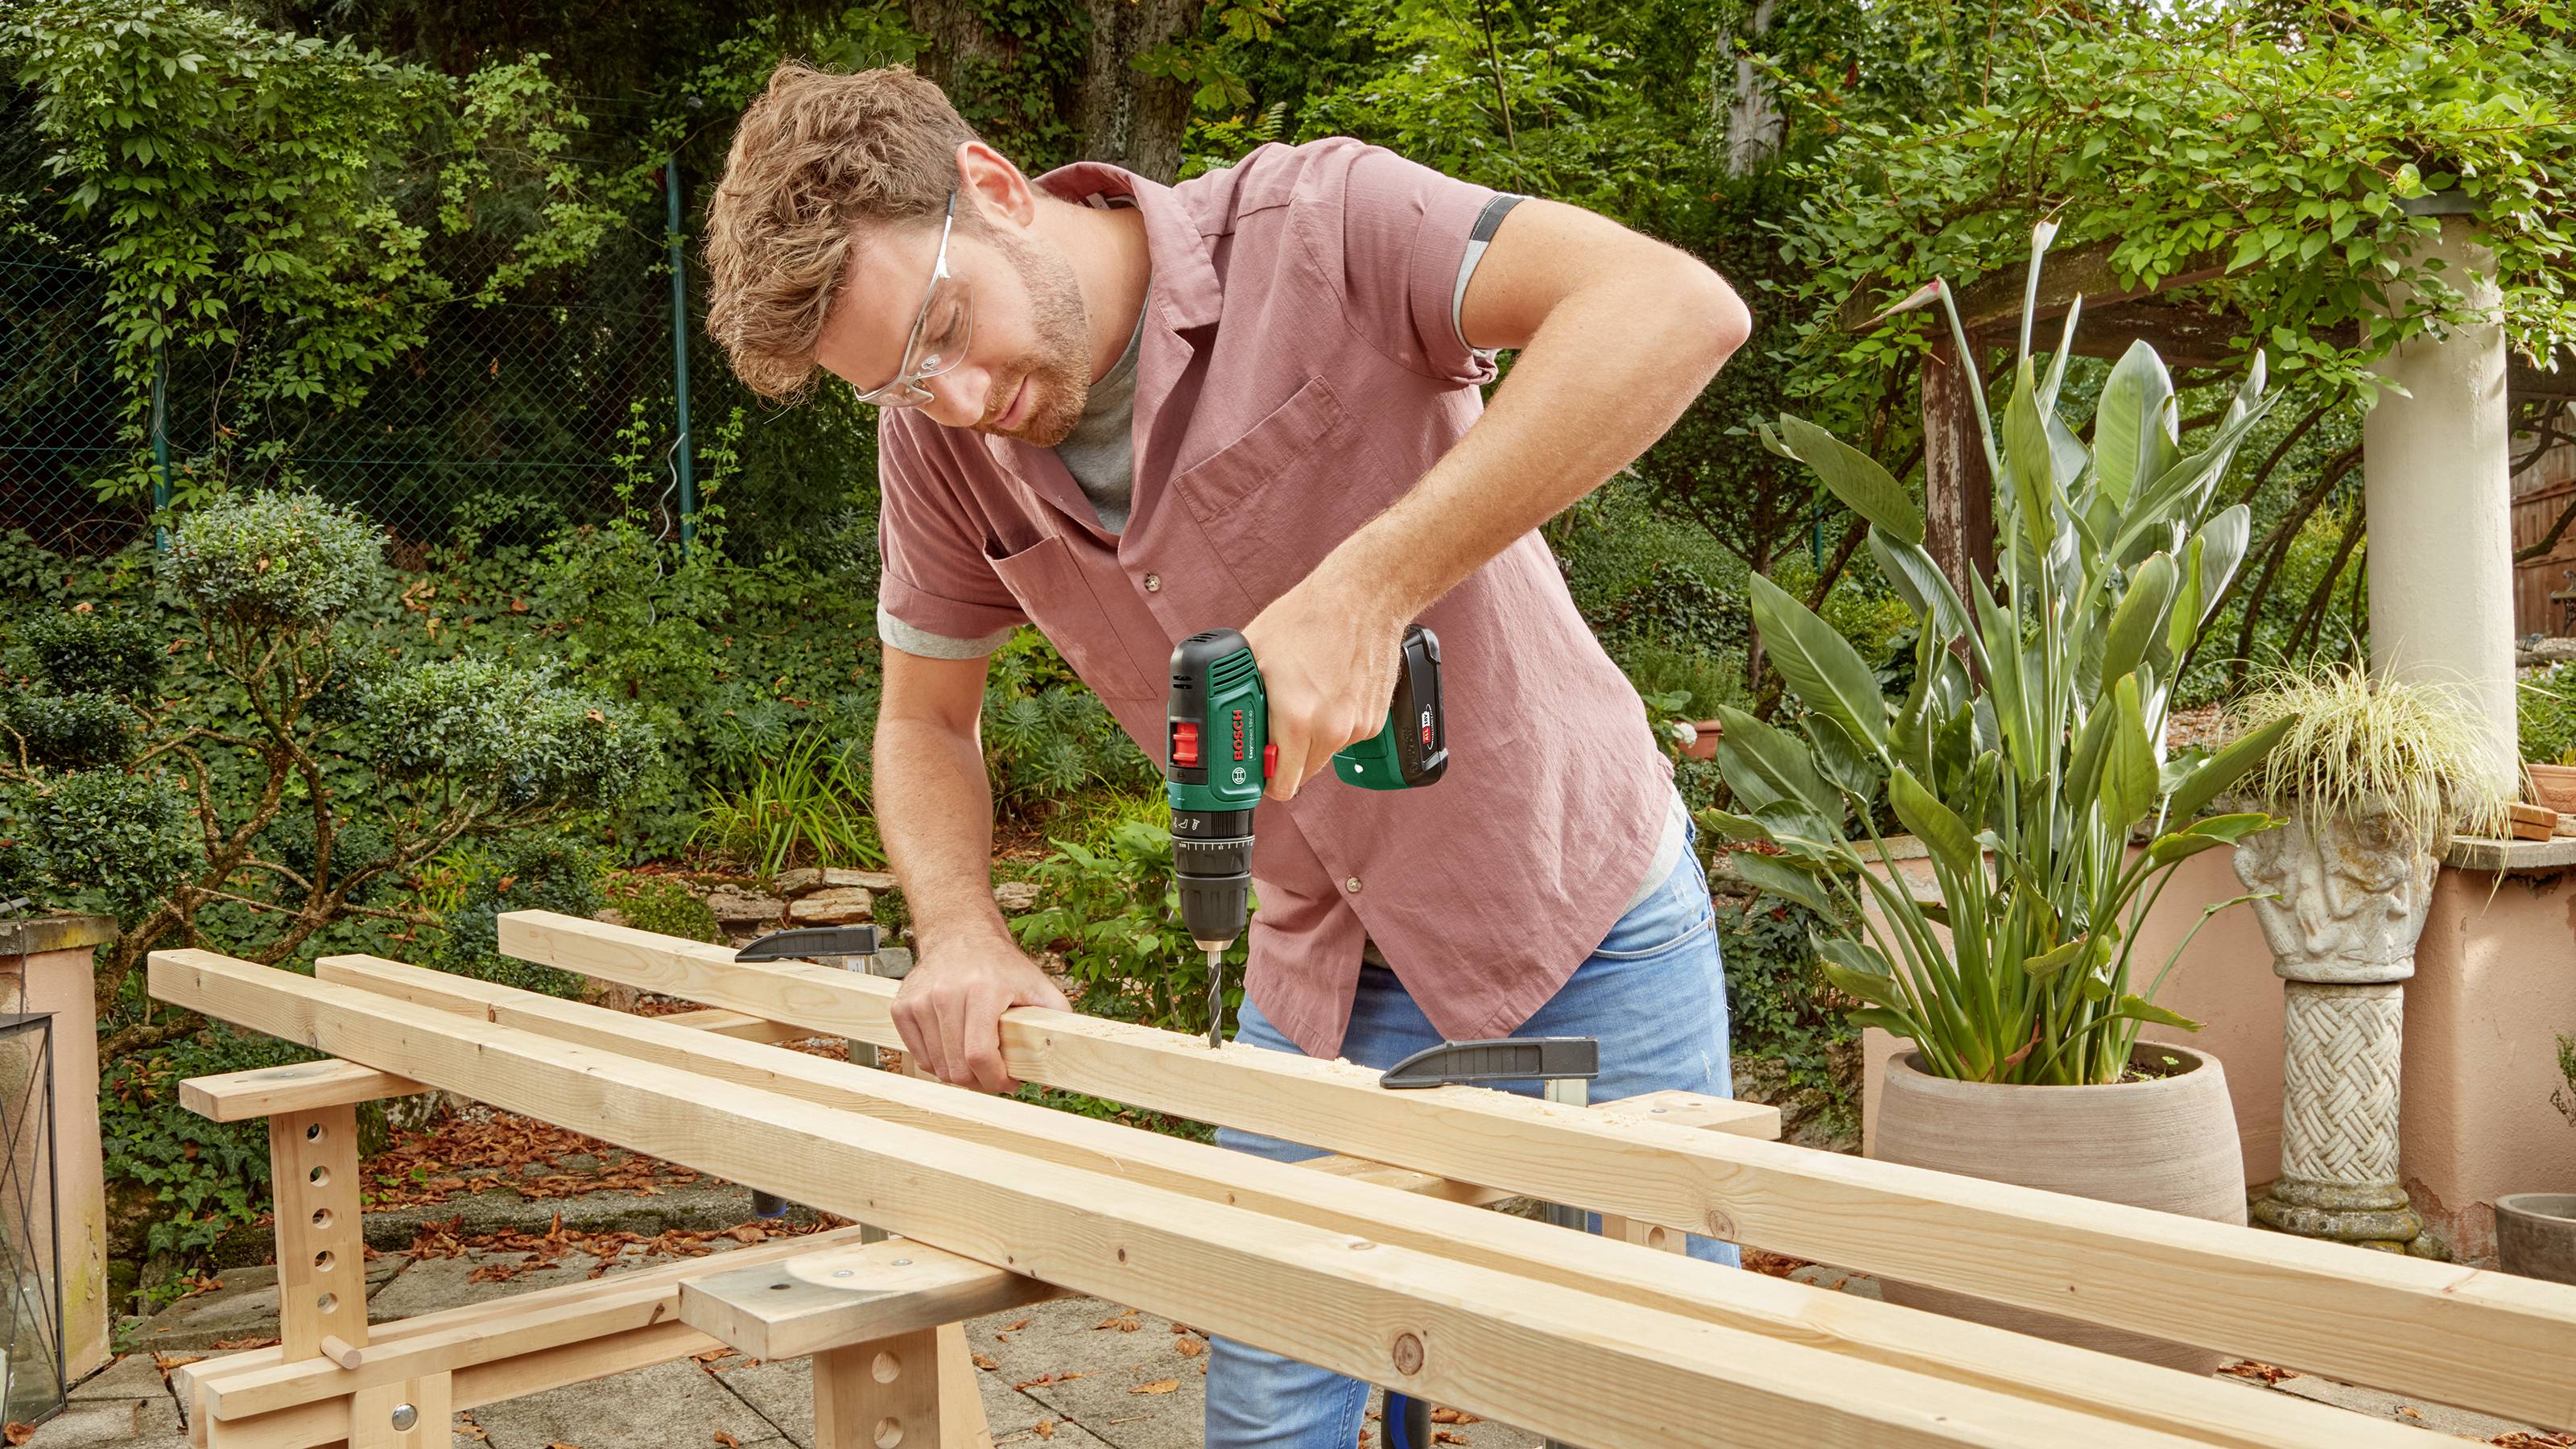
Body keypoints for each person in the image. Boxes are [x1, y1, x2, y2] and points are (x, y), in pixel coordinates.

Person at [704, 60, 1752, 1447]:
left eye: (948, 329)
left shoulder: (1323, 226)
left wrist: (1370, 587)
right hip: (1315, 957)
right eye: (899, 382)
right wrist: (956, 929)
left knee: (1655, 1390)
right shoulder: (942, 444)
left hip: (1578, 910)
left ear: (998, 188)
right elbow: (921, 720)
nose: (959, 398)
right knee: (1271, 1407)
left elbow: (1675, 308)